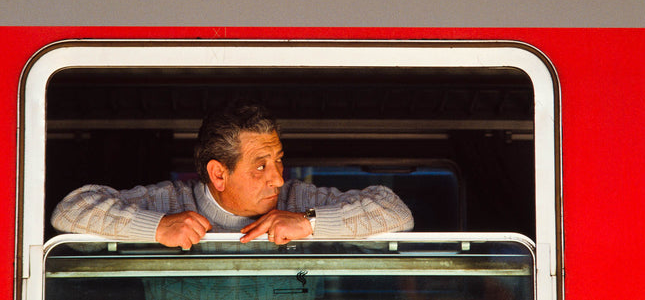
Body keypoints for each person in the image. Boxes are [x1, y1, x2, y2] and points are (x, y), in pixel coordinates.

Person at [51, 102, 414, 249]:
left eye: (278, 161)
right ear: (218, 174)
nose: (277, 179)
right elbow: (70, 211)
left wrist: (311, 223)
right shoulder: (169, 201)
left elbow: (396, 212)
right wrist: (157, 228)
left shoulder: (300, 202)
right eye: (261, 165)